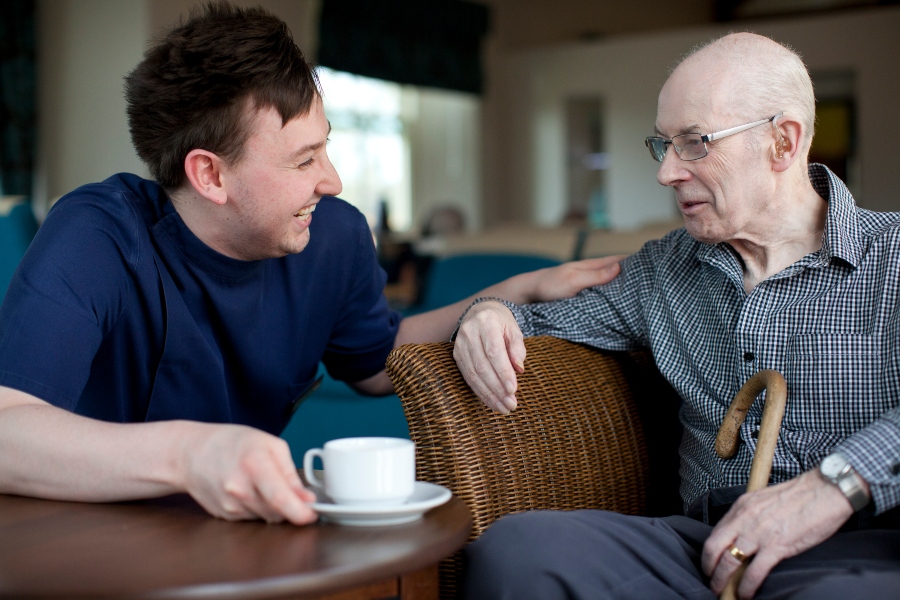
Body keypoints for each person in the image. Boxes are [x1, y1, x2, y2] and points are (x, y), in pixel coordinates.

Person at [0, 2, 622, 526]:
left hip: (239, 533)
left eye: (326, 148)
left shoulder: (335, 237)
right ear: (209, 174)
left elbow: (377, 363)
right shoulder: (97, 234)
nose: (333, 180)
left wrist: (515, 290)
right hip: (82, 533)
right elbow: (8, 433)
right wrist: (192, 452)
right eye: (304, 161)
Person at [453, 32, 900, 599]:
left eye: (694, 142)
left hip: (865, 546)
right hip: (703, 548)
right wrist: (488, 312)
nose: (666, 173)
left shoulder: (894, 255)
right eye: (661, 145)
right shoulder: (663, 271)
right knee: (517, 553)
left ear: (783, 143)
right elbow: (537, 319)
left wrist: (836, 486)